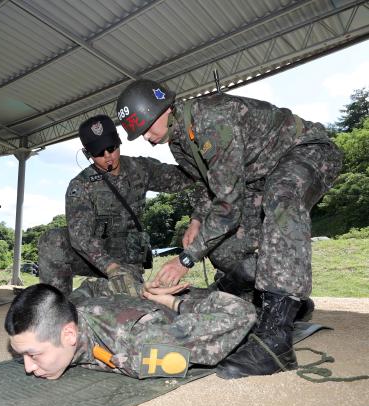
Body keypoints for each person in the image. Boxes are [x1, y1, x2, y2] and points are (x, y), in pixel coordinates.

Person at [116, 79, 343, 378]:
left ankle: (275, 340)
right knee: (225, 248)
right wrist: (197, 219)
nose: (145, 138)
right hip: (259, 180)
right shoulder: (180, 142)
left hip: (308, 152)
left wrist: (185, 259)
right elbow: (208, 184)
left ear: (159, 110)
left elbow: (228, 207)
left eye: (144, 129)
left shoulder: (212, 119)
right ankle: (285, 306)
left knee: (281, 196)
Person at [38, 114, 194, 297]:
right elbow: (81, 237)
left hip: (128, 256)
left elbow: (185, 178)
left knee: (128, 301)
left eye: (111, 148)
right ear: (87, 153)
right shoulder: (80, 185)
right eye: (98, 152)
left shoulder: (140, 168)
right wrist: (111, 268)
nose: (107, 156)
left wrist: (197, 216)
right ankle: (57, 308)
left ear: (119, 141)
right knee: (52, 240)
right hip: (92, 256)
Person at [4, 282, 256, 380]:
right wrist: (134, 287)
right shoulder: (68, 310)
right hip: (141, 299)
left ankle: (233, 277)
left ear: (69, 335)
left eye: (33, 355)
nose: (27, 367)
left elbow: (241, 313)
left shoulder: (139, 348)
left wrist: (174, 302)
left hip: (198, 302)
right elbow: (91, 286)